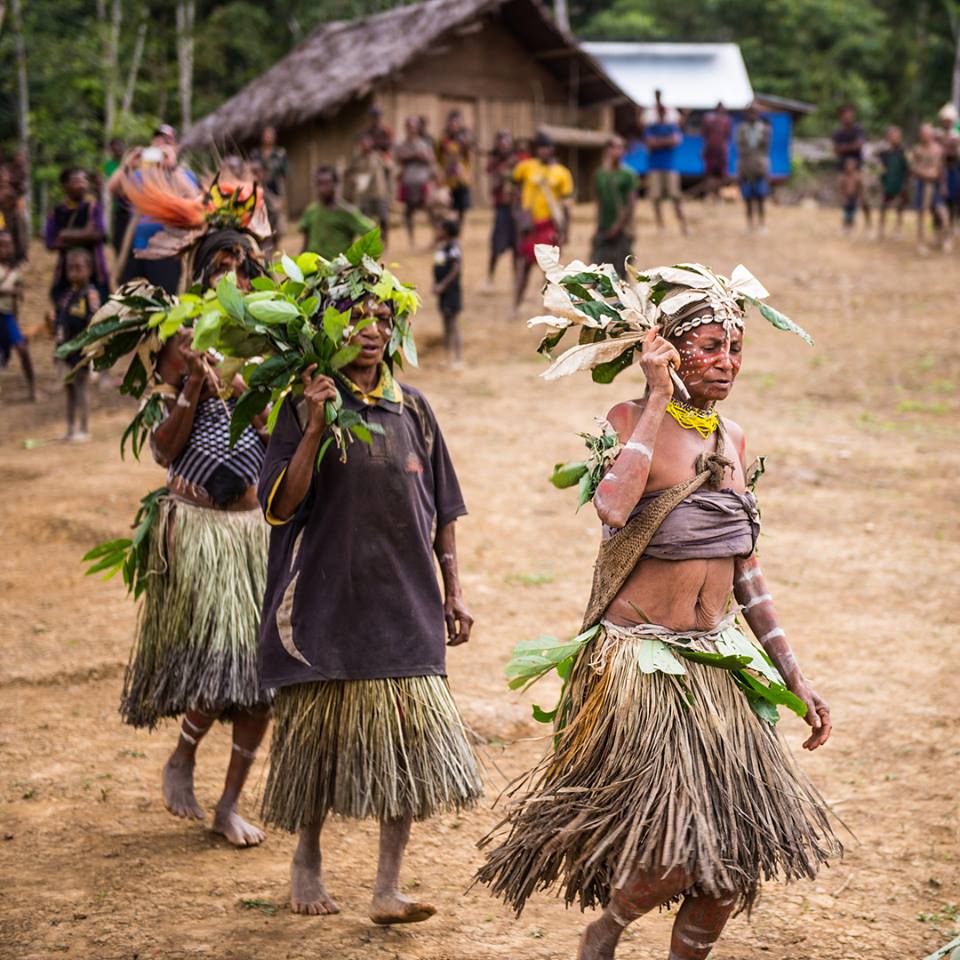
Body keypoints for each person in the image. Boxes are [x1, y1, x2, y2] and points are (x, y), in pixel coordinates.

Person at [476, 259, 839, 960]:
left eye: (735, 347)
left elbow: (747, 571)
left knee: (730, 870)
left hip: (718, 667)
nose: (726, 362)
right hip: (643, 669)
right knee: (678, 849)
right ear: (669, 347)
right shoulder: (627, 420)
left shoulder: (732, 440)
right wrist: (653, 396)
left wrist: (793, 674)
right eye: (709, 346)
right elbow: (613, 508)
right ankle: (607, 927)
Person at [256, 264, 482, 920]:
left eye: (384, 318)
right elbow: (279, 506)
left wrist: (453, 591)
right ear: (328, 328)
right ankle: (307, 858)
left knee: (407, 747)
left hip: (405, 605)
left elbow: (443, 510)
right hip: (324, 604)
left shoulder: (413, 409)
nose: (373, 329)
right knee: (315, 746)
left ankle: (387, 887)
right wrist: (319, 427)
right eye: (357, 317)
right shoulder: (301, 406)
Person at [94, 168, 276, 846]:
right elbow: (163, 452)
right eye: (217, 263)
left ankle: (229, 802)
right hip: (197, 525)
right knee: (222, 661)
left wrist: (261, 402)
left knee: (263, 681)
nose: (229, 272)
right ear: (198, 272)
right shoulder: (177, 339)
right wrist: (193, 391)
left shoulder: (273, 344)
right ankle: (183, 756)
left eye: (239, 262)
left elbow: (288, 442)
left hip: (254, 530)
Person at [109, 125, 198, 293]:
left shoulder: (183, 174)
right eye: (157, 140)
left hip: (168, 252)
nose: (160, 144)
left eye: (166, 141)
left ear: (175, 147)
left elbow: (193, 198)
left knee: (166, 299)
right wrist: (127, 165)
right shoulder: (142, 174)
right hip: (138, 249)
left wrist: (172, 166)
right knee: (131, 299)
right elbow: (113, 190)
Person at [512, 131, 573, 314]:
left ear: (552, 149)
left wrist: (565, 231)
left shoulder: (562, 173)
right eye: (540, 148)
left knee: (549, 267)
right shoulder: (526, 167)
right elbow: (513, 188)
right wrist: (518, 214)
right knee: (524, 265)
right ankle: (516, 305)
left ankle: (548, 308)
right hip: (530, 226)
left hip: (549, 225)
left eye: (547, 147)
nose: (544, 151)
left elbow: (567, 206)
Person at [44, 168, 110, 306]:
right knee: (65, 309)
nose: (82, 185)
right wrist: (86, 234)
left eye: (84, 180)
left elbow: (100, 234)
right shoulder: (57, 212)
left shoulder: (93, 208)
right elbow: (50, 243)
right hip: (66, 274)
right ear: (65, 186)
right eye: (77, 181)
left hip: (96, 273)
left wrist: (65, 234)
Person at [54, 248, 100, 440]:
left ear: (89, 270)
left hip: (82, 351)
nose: (74, 272)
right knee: (69, 388)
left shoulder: (90, 295)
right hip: (67, 350)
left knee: (81, 387)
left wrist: (92, 350)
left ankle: (84, 428)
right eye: (70, 268)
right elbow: (61, 322)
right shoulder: (67, 297)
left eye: (78, 268)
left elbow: (95, 322)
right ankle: (70, 428)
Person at [299, 165, 374, 259]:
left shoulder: (347, 212)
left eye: (327, 184)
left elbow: (371, 232)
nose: (322, 189)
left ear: (336, 184)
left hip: (339, 269)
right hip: (314, 268)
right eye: (319, 184)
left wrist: (358, 260)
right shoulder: (311, 211)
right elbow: (305, 244)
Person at [591, 135, 637, 275]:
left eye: (619, 147)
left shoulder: (628, 175)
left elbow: (631, 203)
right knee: (598, 270)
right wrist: (599, 225)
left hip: (622, 229)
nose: (616, 151)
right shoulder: (600, 174)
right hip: (603, 227)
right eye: (612, 147)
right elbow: (599, 202)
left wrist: (618, 226)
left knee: (621, 270)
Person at [0, 229, 36, 400]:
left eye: (9, 245)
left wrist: (16, 292)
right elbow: (14, 291)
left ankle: (32, 388)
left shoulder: (14, 272)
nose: (6, 249)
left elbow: (19, 294)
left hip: (7, 316)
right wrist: (9, 290)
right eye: (2, 246)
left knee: (22, 349)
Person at [644, 99, 687, 234]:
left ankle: (682, 226)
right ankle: (661, 226)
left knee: (675, 197)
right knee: (656, 198)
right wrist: (667, 141)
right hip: (656, 166)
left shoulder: (668, 127)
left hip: (668, 166)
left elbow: (676, 140)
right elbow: (651, 143)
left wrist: (658, 142)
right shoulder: (652, 127)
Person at [483, 131, 519, 289]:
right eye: (502, 143)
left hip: (516, 209)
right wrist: (503, 172)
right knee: (496, 246)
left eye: (507, 142)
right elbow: (493, 186)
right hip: (502, 209)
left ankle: (516, 280)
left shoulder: (519, 162)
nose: (505, 146)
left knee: (517, 247)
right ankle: (490, 279)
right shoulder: (495, 164)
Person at [344, 133, 392, 247]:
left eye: (368, 142)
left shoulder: (378, 156)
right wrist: (353, 180)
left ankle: (385, 241)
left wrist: (388, 187)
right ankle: (372, 244)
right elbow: (347, 173)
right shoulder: (356, 159)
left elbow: (388, 169)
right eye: (363, 143)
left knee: (384, 218)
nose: (366, 145)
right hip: (365, 195)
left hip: (380, 192)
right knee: (367, 221)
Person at [396, 116, 437, 248]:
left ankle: (435, 237)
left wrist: (419, 156)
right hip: (409, 182)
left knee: (430, 210)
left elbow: (430, 159)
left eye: (414, 127)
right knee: (408, 213)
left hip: (422, 181)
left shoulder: (424, 143)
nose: (412, 129)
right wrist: (415, 155)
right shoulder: (402, 144)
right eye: (409, 127)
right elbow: (400, 156)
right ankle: (411, 241)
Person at [735, 104, 771, 233]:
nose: (752, 116)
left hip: (759, 167)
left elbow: (765, 149)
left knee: (761, 197)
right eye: (750, 113)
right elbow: (740, 149)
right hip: (746, 167)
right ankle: (750, 225)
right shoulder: (742, 129)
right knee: (748, 198)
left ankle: (762, 224)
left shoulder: (764, 129)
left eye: (754, 113)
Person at [910, 123, 946, 253]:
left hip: (935, 185)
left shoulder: (938, 149)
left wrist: (941, 183)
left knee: (942, 212)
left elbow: (940, 170)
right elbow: (913, 167)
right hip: (921, 184)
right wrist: (924, 173)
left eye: (927, 133)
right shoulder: (917, 149)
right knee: (921, 214)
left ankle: (943, 238)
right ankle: (921, 242)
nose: (925, 135)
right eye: (923, 133)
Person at [433, 218, 463, 367]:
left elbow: (455, 269)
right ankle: (448, 356)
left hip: (451, 292)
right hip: (443, 292)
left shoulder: (453, 247)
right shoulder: (442, 247)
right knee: (446, 323)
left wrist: (443, 285)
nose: (437, 232)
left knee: (453, 324)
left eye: (440, 229)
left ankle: (458, 357)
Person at [250, 126, 288, 242]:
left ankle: (275, 244)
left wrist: (282, 197)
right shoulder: (255, 154)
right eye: (266, 135)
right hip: (259, 190)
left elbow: (283, 177)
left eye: (270, 135)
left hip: (275, 190)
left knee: (276, 222)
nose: (268, 138)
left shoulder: (280, 154)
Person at [437, 111, 473, 226]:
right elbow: (437, 159)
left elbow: (470, 156)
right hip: (448, 180)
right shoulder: (442, 140)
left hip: (462, 179)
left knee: (462, 208)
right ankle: (450, 232)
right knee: (449, 208)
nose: (454, 125)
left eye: (457, 122)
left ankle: (458, 234)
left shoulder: (465, 140)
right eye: (452, 122)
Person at [877, 125, 909, 239]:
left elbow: (907, 169)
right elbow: (880, 168)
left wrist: (905, 184)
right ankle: (881, 229)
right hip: (888, 183)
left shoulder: (903, 152)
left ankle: (898, 229)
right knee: (884, 206)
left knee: (900, 207)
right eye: (892, 136)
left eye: (897, 136)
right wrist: (882, 181)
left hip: (899, 182)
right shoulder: (884, 153)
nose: (894, 138)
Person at [103, 138, 132, 254]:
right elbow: (110, 185)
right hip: (118, 207)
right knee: (118, 239)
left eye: (119, 147)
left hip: (134, 207)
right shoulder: (108, 166)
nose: (117, 150)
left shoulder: (132, 163)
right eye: (114, 148)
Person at [935, 103, 960, 234]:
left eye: (949, 120)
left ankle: (951, 225)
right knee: (937, 202)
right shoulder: (937, 134)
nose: (946, 122)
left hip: (951, 170)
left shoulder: (956, 136)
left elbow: (955, 154)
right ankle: (938, 228)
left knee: (953, 199)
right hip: (938, 172)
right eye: (945, 120)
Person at [700, 102, 732, 200]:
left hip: (721, 152)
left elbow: (727, 136)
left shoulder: (726, 121)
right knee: (710, 174)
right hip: (711, 151)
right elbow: (705, 136)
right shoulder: (708, 119)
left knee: (721, 175)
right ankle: (709, 194)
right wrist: (705, 149)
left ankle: (718, 195)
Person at [0, 167, 28, 265]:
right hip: (2, 218)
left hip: (11, 219)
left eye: (5, 175)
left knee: (16, 237)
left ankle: (19, 257)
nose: (3, 177)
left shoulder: (12, 190)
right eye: (2, 175)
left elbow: (17, 206)